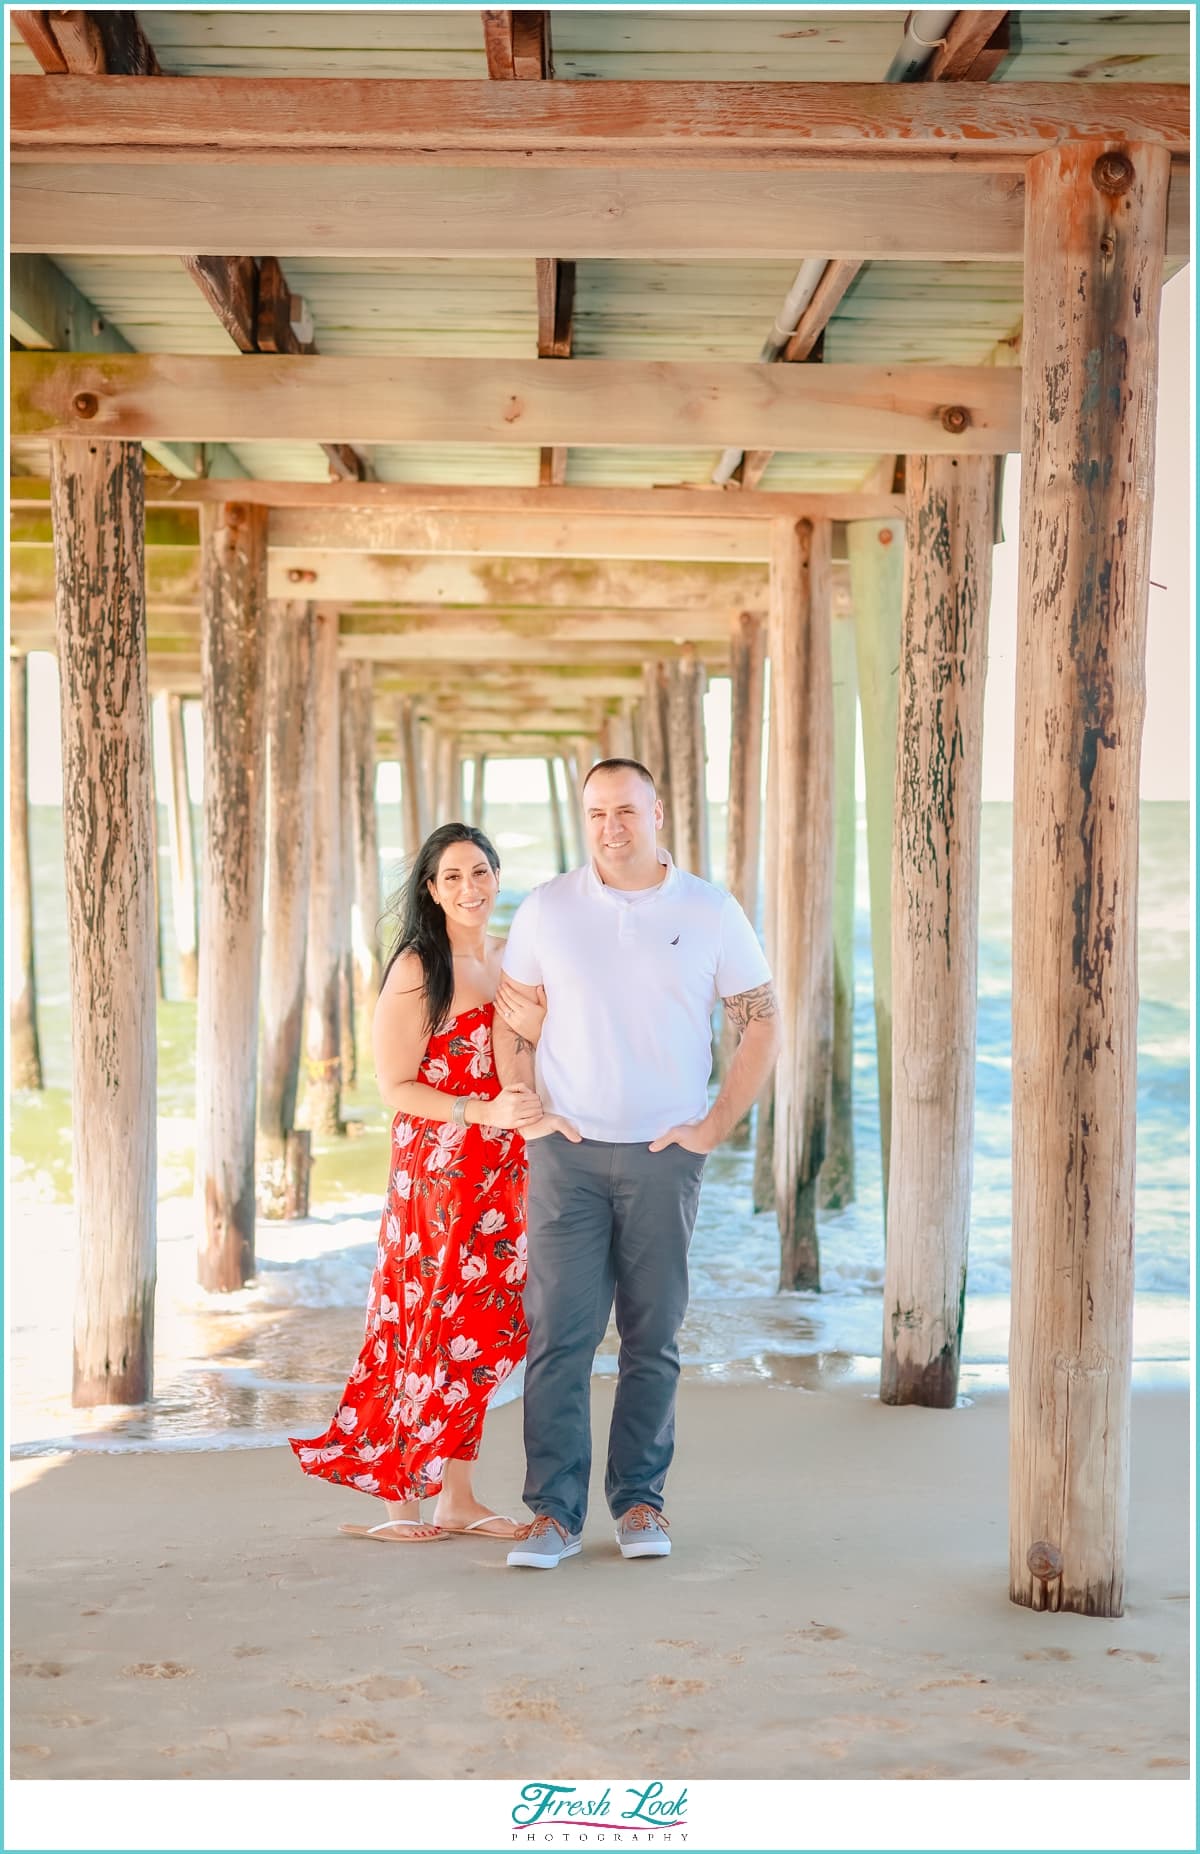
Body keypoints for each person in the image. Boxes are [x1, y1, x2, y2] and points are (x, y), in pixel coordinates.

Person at [493, 759, 780, 1569]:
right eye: (595, 813)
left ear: (658, 811)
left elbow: (761, 1022)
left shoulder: (708, 909)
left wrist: (715, 1124)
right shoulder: (549, 909)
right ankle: (552, 1514)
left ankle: (641, 1503)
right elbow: (513, 1025)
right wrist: (527, 1103)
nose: (610, 827)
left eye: (625, 810)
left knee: (652, 1337)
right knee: (559, 1338)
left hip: (665, 1156)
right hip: (566, 1156)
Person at [289, 823, 569, 1543]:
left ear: (498, 876)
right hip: (437, 1175)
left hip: (504, 1169)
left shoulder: (512, 961)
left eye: (480, 872)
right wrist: (479, 1112)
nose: (469, 889)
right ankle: (399, 1502)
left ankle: (459, 1499)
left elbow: (530, 1063)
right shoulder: (420, 964)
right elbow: (393, 1086)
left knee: (479, 1328)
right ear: (430, 888)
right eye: (452, 877)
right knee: (423, 1323)